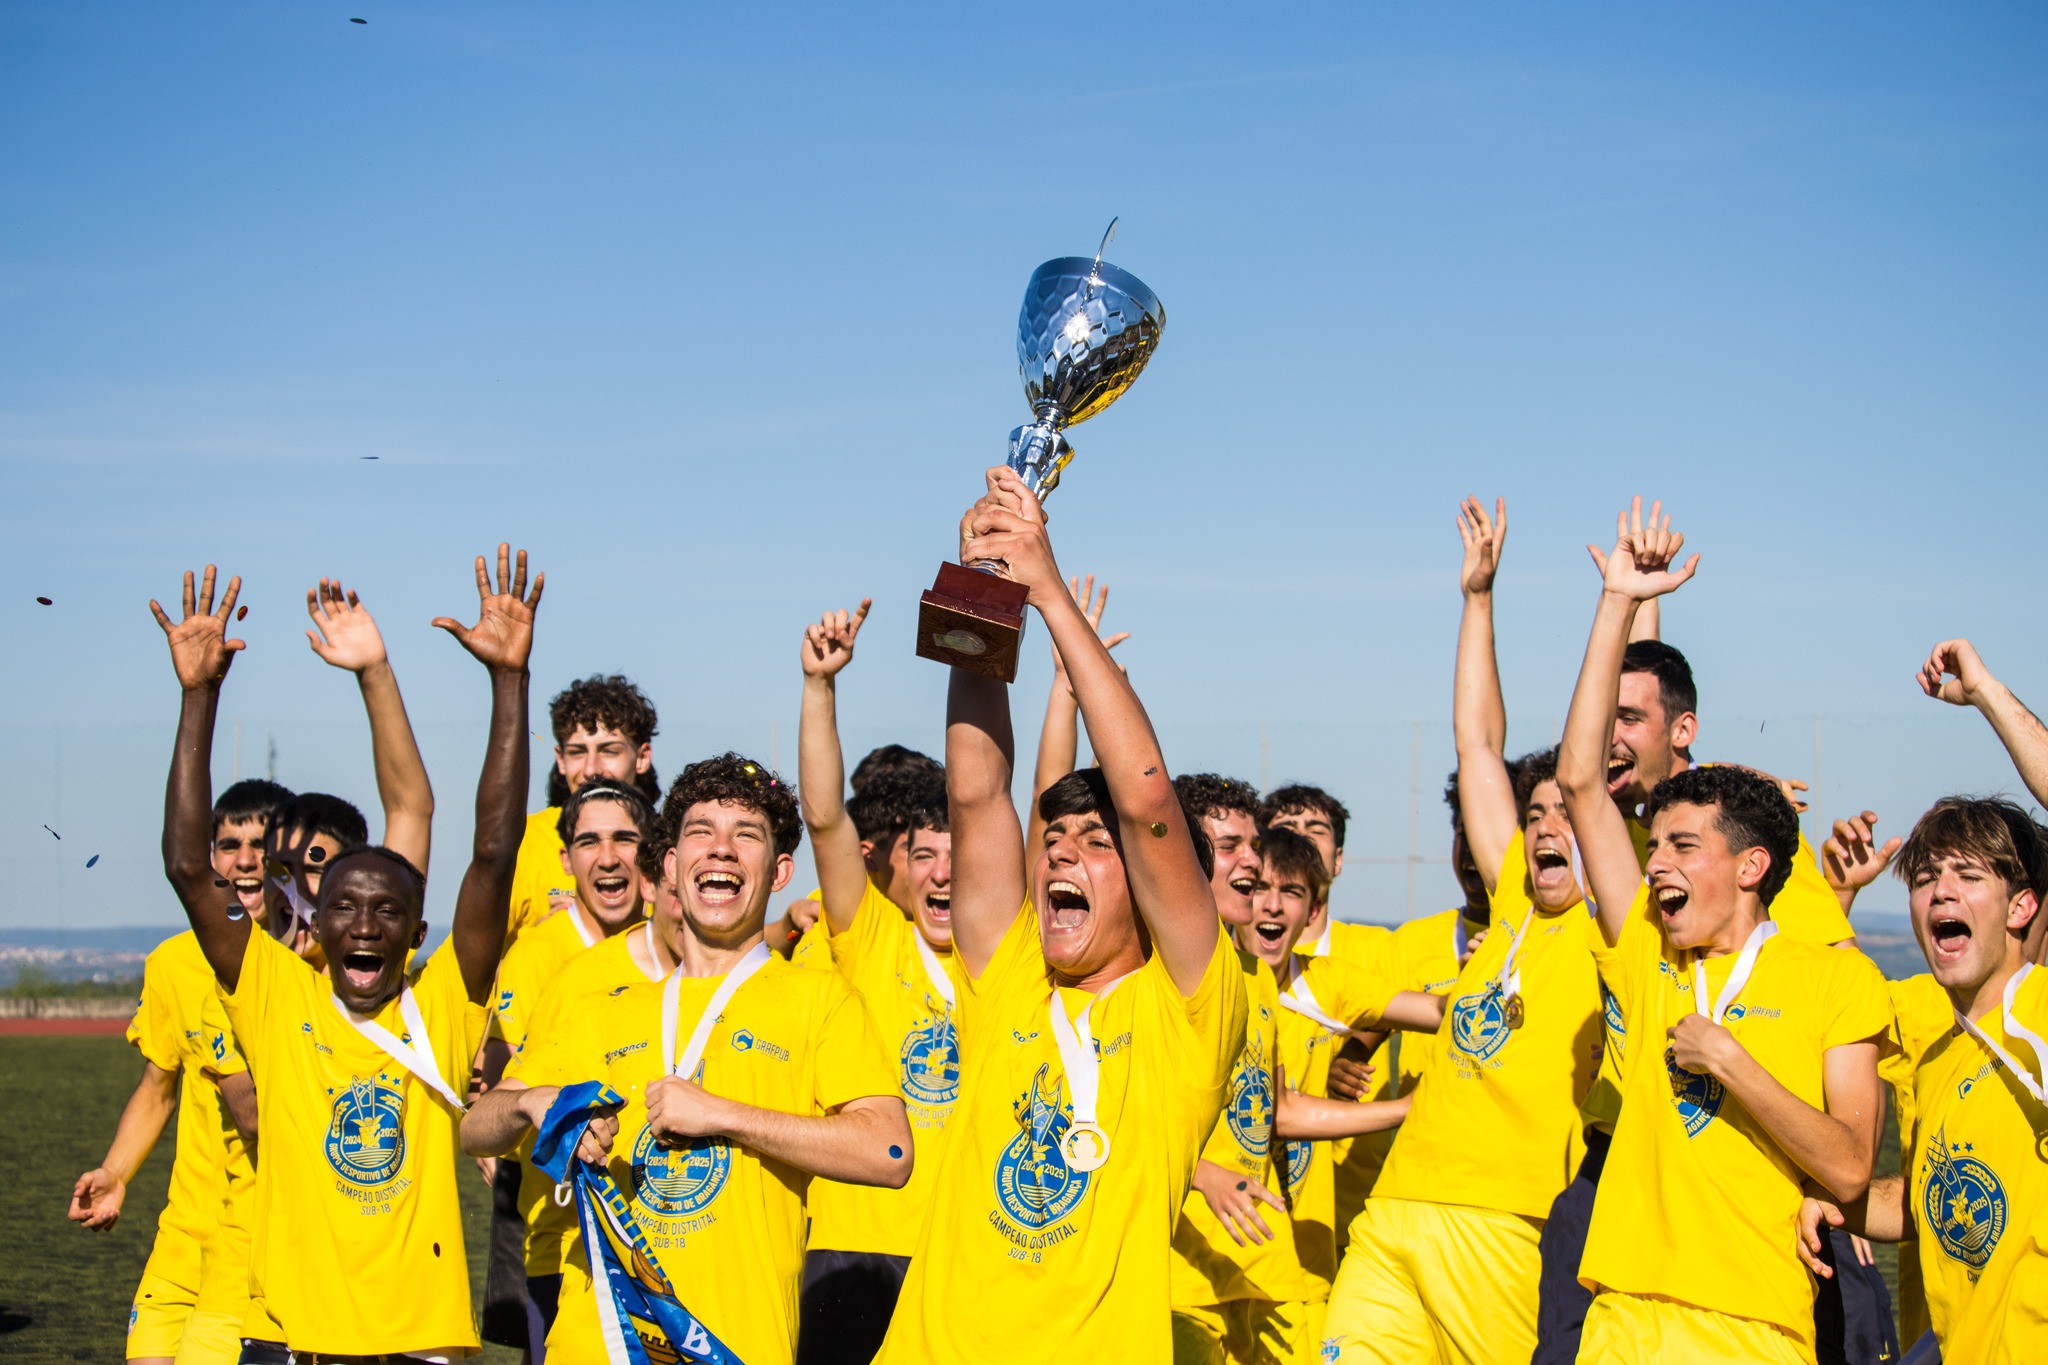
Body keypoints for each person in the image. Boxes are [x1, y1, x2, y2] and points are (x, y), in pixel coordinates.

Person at [874, 467, 1248, 1363]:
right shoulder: (1010, 972)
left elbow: (1151, 800)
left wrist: (1046, 587)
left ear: (1161, 891)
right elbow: (975, 794)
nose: (1062, 853)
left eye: (1096, 840)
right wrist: (980, 593)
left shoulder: (1187, 1010)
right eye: (1057, 837)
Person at [155, 547, 537, 1359]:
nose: (365, 924)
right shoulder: (274, 993)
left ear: (416, 931)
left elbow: (494, 855)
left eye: (387, 909)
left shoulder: (441, 1008)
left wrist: (510, 682)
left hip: (419, 1341)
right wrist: (199, 696)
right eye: (344, 907)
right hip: (285, 1340)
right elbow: (190, 865)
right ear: (314, 922)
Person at [1531, 502, 1866, 1365]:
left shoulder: (1833, 980)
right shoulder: (1648, 947)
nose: (1657, 865)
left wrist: (1732, 1062)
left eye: (1684, 846)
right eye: (1656, 846)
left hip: (1752, 1329)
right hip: (1621, 1318)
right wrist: (1617, 601)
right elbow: (1579, 780)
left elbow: (1851, 1165)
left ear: (1750, 866)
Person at [463, 752, 911, 1365]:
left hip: (733, 1347)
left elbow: (889, 1153)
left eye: (745, 835)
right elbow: (476, 1129)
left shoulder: (819, 1000)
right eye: (701, 831)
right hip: (596, 1344)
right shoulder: (599, 1009)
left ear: (780, 872)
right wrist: (539, 1103)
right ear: (672, 864)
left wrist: (724, 1115)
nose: (722, 849)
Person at [1321, 500, 1604, 1365]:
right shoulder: (1518, 894)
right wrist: (1478, 600)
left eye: (1570, 812)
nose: (1549, 823)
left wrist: (1621, 602)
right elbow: (1478, 744)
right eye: (1539, 812)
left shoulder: (1619, 931)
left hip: (1510, 1228)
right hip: (1398, 1209)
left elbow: (1596, 774)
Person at [1172, 824, 1435, 1365]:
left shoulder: (1320, 983)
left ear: (1313, 910)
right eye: (1258, 888)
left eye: (1289, 893)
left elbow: (1433, 1011)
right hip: (1190, 1265)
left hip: (1294, 1261)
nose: (1270, 905)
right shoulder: (1187, 983)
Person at [1799, 797, 2047, 1363]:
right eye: (1927, 876)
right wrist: (1828, 1201)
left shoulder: (2041, 1013)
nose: (1941, 890)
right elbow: (1925, 1205)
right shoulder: (1938, 1058)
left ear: (2022, 906)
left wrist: (1990, 701)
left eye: (1969, 874)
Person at [789, 600, 962, 1365]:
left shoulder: (1005, 960)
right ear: (893, 863)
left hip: (962, 1248)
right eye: (924, 854)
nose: (945, 870)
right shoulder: (872, 936)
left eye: (960, 854)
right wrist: (820, 688)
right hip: (856, 1243)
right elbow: (825, 819)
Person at [70, 780, 280, 1365]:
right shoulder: (171, 965)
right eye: (228, 844)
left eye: (260, 844)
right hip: (182, 1235)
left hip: (256, 1246)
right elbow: (157, 1088)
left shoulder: (303, 966)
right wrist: (116, 1172)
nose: (244, 860)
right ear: (207, 858)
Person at [478, 779, 660, 1356]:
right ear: (565, 859)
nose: (608, 857)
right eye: (589, 841)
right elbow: (498, 1098)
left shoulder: (681, 939)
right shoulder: (536, 956)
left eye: (625, 839)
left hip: (663, 1229)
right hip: (556, 1236)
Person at [507, 673, 661, 944]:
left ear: (642, 757)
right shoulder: (524, 840)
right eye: (577, 752)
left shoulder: (671, 841)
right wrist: (545, 938)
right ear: (561, 759)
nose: (591, 769)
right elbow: (475, 965)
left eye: (609, 751)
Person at [1176, 774, 1265, 928]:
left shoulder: (1238, 953)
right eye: (1229, 847)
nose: (1254, 861)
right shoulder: (1143, 951)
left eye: (1255, 847)